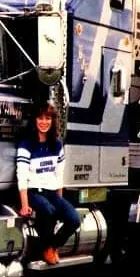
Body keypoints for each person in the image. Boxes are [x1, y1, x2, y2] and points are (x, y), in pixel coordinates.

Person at [16, 102, 82, 265]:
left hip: (52, 192)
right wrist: (24, 205)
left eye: (47, 119)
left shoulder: (57, 145)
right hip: (34, 192)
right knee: (48, 211)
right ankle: (45, 249)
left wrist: (61, 202)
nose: (44, 122)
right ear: (34, 121)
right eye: (40, 118)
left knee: (74, 219)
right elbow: (22, 176)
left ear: (53, 121)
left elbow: (58, 176)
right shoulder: (26, 145)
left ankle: (51, 247)